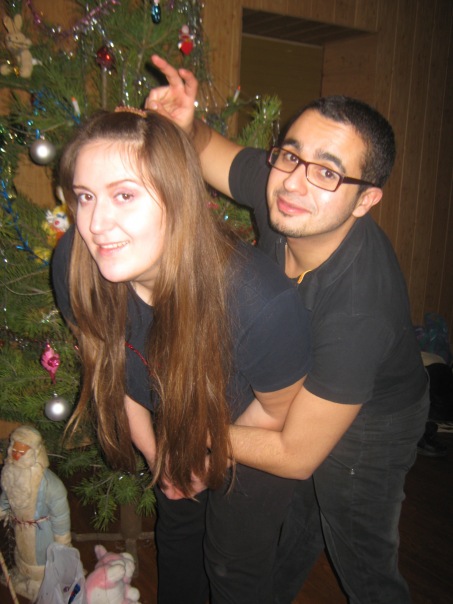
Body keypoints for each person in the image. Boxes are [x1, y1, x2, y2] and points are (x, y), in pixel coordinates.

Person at [146, 55, 430, 604]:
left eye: (328, 172)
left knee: (359, 553)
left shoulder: (359, 308)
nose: (296, 182)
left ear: (366, 199)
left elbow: (296, 452)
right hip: (307, 382)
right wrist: (186, 122)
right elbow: (207, 148)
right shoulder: (288, 187)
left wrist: (196, 436)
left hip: (375, 419)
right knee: (295, 527)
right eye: (292, 155)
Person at [51, 107, 311, 604]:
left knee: (233, 564)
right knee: (177, 536)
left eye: (124, 195)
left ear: (178, 198)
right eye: (85, 196)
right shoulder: (75, 265)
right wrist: (160, 456)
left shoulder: (259, 302)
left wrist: (206, 459)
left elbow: (278, 411)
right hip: (175, 421)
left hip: (252, 434)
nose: (96, 224)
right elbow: (111, 368)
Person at [0, 425, 71, 601]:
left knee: (41, 558)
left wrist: (62, 541)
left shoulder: (49, 484)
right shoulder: (11, 473)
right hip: (19, 526)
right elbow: (8, 496)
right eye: (14, 451)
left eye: (22, 452)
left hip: (41, 532)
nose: (17, 456)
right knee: (22, 552)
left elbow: (60, 515)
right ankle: (25, 576)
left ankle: (44, 583)